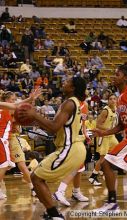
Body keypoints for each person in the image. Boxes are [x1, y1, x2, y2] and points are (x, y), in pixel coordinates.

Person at [16, 76, 87, 220]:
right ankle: (53, 212)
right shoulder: (72, 102)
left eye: (67, 82)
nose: (64, 83)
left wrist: (34, 115)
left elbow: (54, 128)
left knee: (36, 178)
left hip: (70, 148)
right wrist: (35, 117)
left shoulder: (69, 104)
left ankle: (55, 215)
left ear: (72, 88)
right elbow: (52, 127)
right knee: (37, 177)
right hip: (73, 148)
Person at [92, 64, 127, 211]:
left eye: (118, 74)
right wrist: (104, 132)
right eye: (114, 74)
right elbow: (121, 126)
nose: (114, 77)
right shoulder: (120, 99)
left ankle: (112, 203)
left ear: (126, 78)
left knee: (106, 163)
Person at [1, 89, 41, 197]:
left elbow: (18, 108)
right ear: (6, 100)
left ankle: (32, 187)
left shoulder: (13, 109)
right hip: (4, 139)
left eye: (15, 99)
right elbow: (16, 108)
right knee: (3, 166)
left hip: (12, 138)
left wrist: (30, 100)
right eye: (12, 99)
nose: (14, 101)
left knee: (21, 164)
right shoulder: (5, 108)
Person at [53, 100, 89, 206]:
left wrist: (85, 133)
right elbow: (56, 121)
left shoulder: (85, 105)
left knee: (79, 168)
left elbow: (83, 123)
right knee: (75, 167)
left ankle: (76, 192)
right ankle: (60, 191)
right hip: (67, 138)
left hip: (77, 138)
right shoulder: (68, 103)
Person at [89, 94, 118, 186]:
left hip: (111, 136)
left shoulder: (116, 109)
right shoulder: (105, 111)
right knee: (102, 158)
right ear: (108, 101)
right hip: (104, 136)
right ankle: (93, 176)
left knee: (116, 151)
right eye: (110, 99)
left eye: (114, 98)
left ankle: (103, 171)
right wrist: (109, 129)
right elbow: (97, 125)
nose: (113, 100)